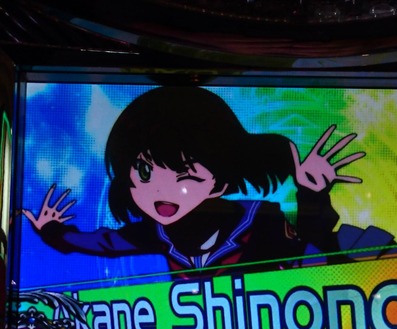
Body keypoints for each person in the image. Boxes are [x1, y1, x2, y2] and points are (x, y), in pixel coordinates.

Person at [23, 85, 364, 277]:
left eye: (184, 175)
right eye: (145, 172)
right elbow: (105, 242)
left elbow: (315, 252)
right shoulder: (156, 231)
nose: (161, 190)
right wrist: (51, 232)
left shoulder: (258, 220)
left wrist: (313, 194)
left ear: (220, 181)